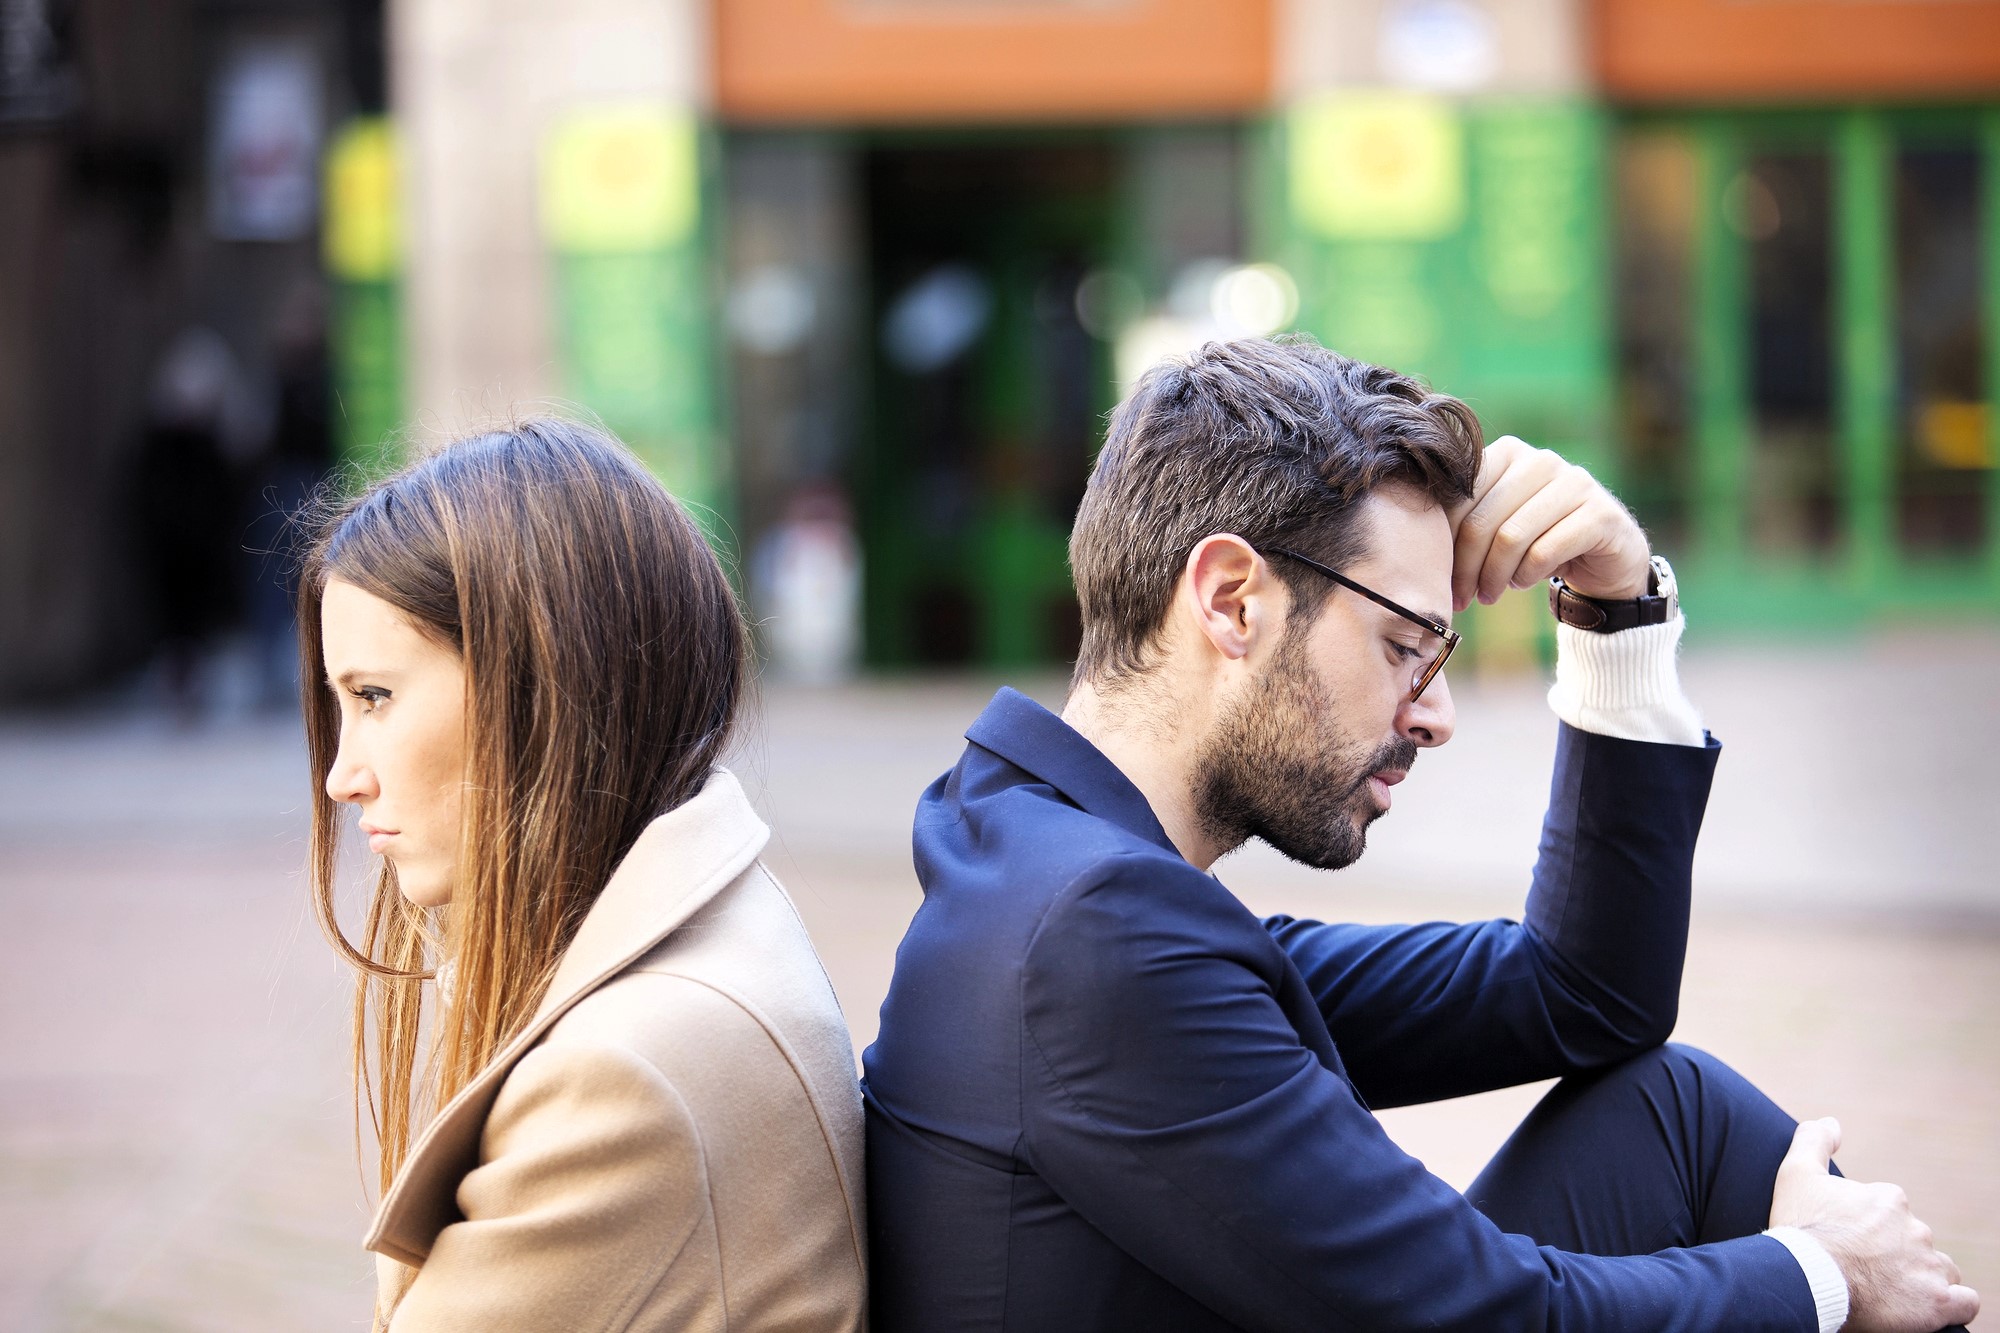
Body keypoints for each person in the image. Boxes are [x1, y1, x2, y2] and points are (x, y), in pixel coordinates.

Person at [861, 338, 1977, 1333]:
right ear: (1232, 601)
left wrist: (1614, 611)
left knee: (1670, 1110)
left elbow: (1583, 994)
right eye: (1405, 645)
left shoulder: (1056, 870)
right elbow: (1482, 1311)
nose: (1434, 715)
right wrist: (1821, 1273)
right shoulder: (1093, 941)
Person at [300, 419, 867, 1331]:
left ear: (540, 682)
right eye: (342, 705)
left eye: (376, 697)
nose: (341, 774)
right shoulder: (703, 919)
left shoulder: (623, 1076)